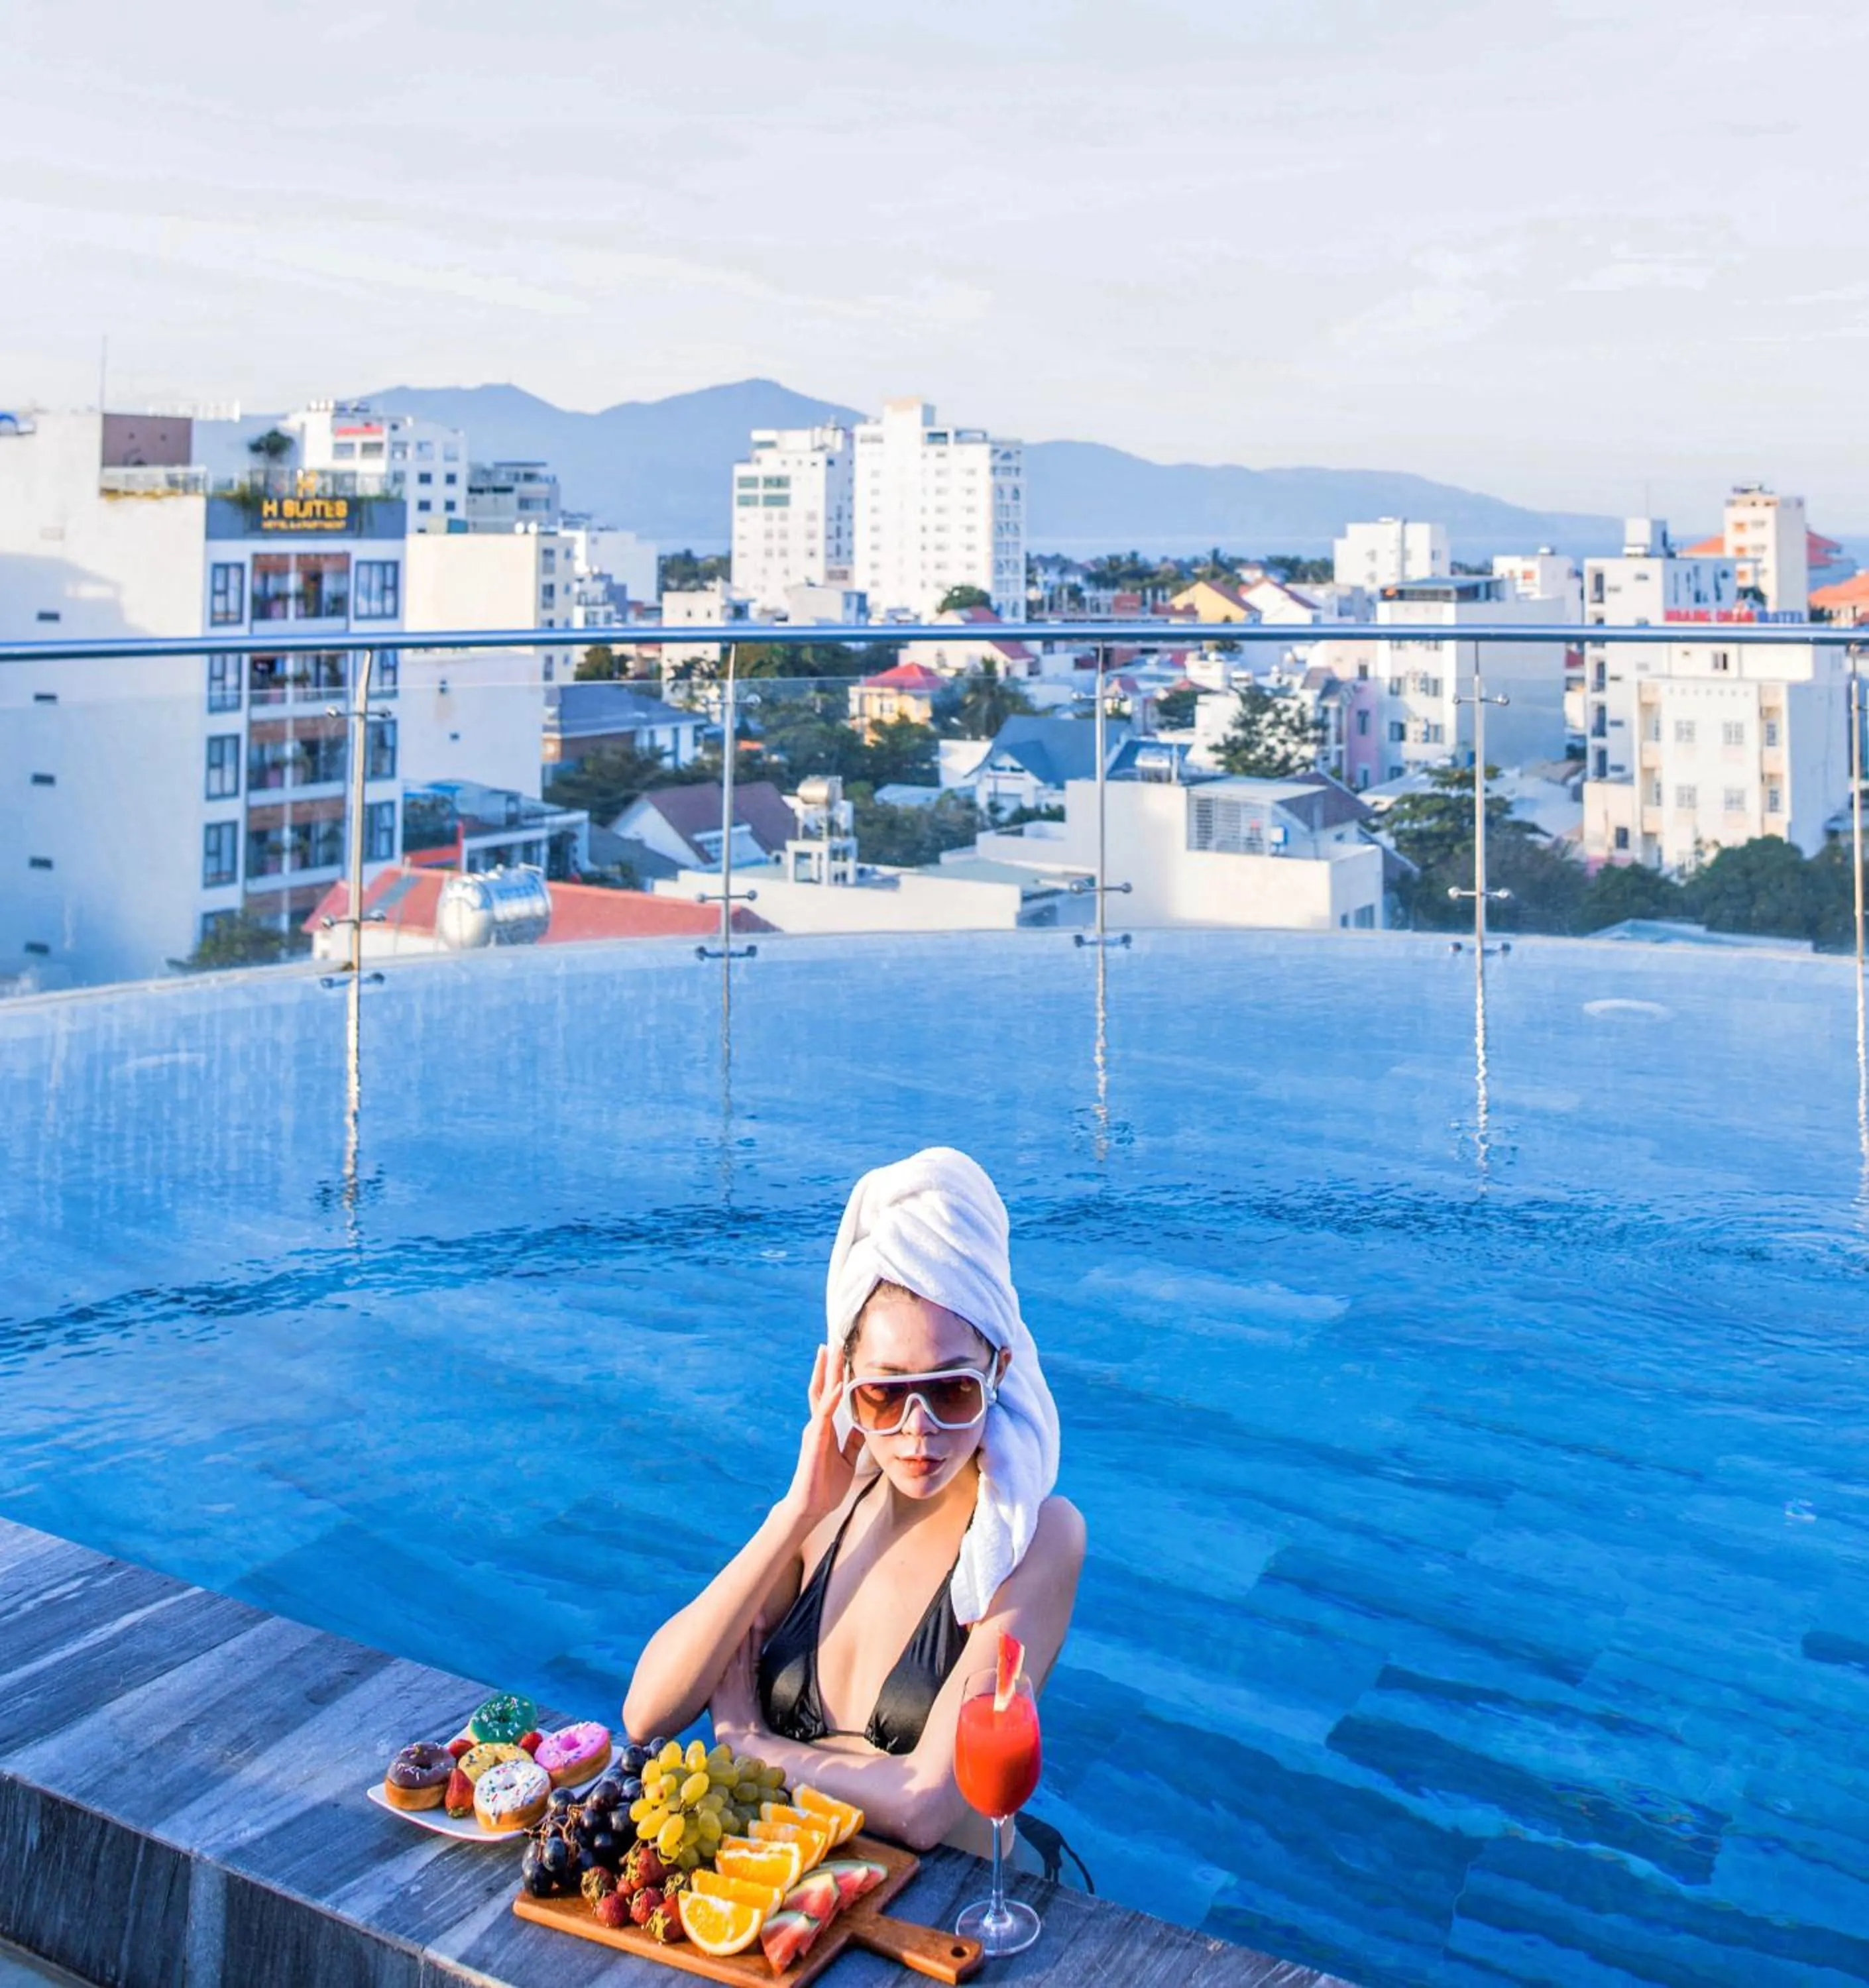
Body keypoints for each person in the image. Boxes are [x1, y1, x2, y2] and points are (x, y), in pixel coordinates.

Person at [624, 1147, 1085, 1855]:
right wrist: (796, 1513)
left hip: (941, 1928)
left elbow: (927, 1805)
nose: (918, 1428)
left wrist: (748, 1745)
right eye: (885, 1391)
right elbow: (648, 1711)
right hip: (789, 1905)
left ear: (1000, 1369)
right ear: (841, 1381)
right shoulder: (828, 1512)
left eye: (952, 1389)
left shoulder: (1035, 1536)